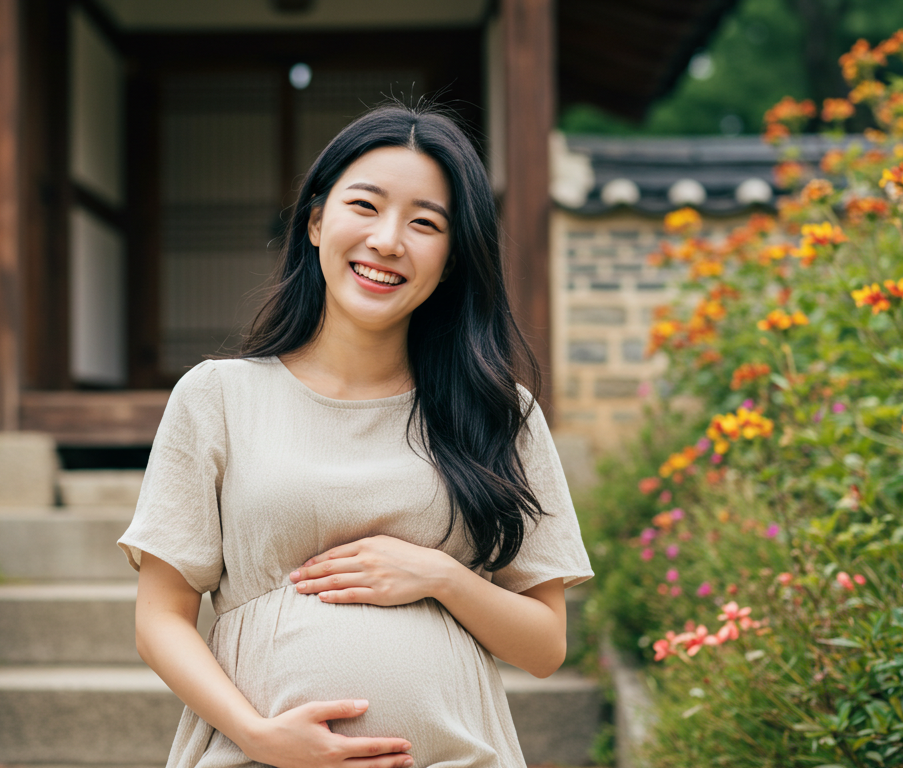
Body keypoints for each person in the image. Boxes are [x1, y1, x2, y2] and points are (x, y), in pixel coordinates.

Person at [119, 104, 592, 768]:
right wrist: (258, 735)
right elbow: (159, 620)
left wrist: (440, 575)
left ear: (453, 259)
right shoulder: (218, 395)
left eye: (425, 223)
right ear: (316, 221)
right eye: (365, 206)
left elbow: (545, 647)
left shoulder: (497, 412)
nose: (388, 240)